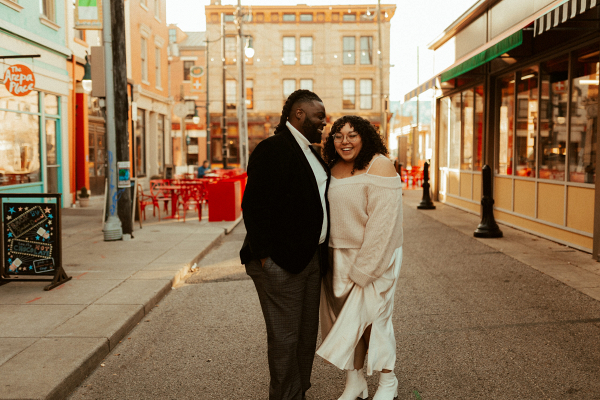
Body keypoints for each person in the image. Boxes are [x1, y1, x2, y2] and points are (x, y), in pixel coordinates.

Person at [240, 89, 330, 400]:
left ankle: (298, 393)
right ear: (299, 114)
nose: (324, 122)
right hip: (281, 263)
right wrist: (266, 258)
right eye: (319, 116)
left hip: (310, 259)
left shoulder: (311, 151)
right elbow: (254, 207)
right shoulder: (273, 149)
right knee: (285, 339)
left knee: (305, 337)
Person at [317, 115, 403, 400]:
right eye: (338, 136)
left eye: (352, 135)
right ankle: (355, 383)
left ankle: (388, 382)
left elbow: (384, 225)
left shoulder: (380, 165)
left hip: (374, 255)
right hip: (337, 256)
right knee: (345, 321)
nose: (345, 141)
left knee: (375, 320)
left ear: (365, 136)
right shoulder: (333, 167)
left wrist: (366, 268)